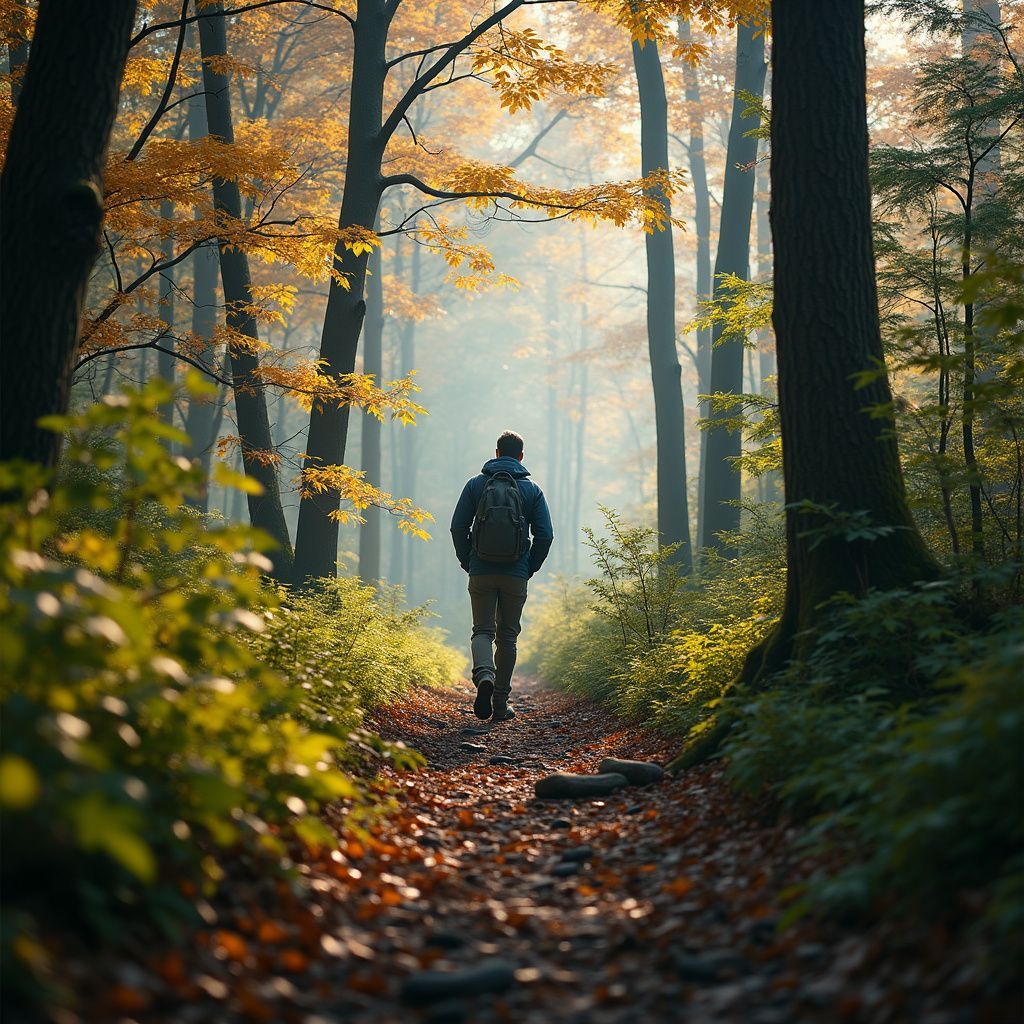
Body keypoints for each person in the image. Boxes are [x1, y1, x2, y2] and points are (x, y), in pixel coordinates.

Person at [450, 430, 553, 721]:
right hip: (516, 573)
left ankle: (484, 675)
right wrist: (529, 566)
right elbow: (545, 534)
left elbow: (458, 527)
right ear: (521, 456)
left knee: (482, 631)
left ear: (496, 453)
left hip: (480, 569)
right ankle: (499, 704)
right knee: (507, 638)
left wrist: (468, 561)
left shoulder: (475, 485)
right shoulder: (531, 489)